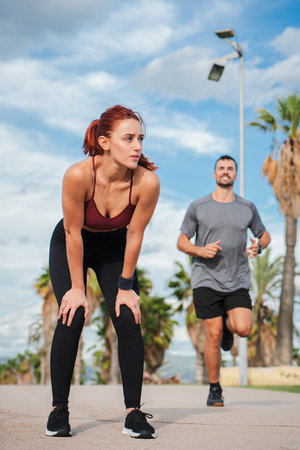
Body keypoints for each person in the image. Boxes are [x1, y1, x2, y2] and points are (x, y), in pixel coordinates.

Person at [46, 105, 160, 439]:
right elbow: (71, 233)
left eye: (140, 138)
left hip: (115, 248)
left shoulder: (147, 183)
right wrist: (77, 289)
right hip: (71, 240)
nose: (137, 145)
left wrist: (125, 286)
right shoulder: (79, 175)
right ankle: (58, 410)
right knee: (73, 313)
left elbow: (135, 235)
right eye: (129, 138)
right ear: (105, 142)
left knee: (128, 315)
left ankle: (133, 413)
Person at [177, 155, 270, 406]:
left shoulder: (247, 207)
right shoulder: (198, 206)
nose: (225, 172)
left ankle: (231, 328)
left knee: (243, 328)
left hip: (237, 277)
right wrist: (200, 250)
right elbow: (182, 241)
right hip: (205, 277)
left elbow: (264, 235)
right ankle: (214, 388)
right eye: (221, 168)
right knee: (213, 334)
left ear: (236, 175)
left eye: (230, 169)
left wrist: (257, 247)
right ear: (214, 173)